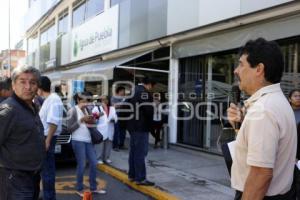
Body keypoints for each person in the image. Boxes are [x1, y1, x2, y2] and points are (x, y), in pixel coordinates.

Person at [227, 38, 297, 199]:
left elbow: (261, 174)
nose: (236, 71)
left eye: (241, 64)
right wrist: (242, 123)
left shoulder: (263, 110)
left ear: (259, 69)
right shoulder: (277, 101)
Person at [0, 66, 46, 199]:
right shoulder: (8, 110)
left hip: (32, 177)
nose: (28, 87)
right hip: (14, 180)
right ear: (13, 85)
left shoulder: (31, 106)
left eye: (33, 82)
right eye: (22, 81)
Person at [67, 92, 106, 197]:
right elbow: (69, 129)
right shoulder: (72, 110)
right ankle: (79, 188)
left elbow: (91, 124)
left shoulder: (87, 109)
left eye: (87, 100)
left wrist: (94, 118)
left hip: (88, 140)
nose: (86, 103)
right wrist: (81, 120)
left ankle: (93, 187)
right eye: (84, 101)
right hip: (77, 140)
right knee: (82, 164)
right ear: (78, 100)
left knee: (94, 163)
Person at [127, 76, 156, 186]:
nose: (151, 89)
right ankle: (140, 178)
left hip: (132, 126)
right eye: (152, 86)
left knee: (133, 151)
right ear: (148, 84)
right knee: (140, 152)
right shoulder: (144, 93)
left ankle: (132, 175)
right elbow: (148, 111)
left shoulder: (133, 91)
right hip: (141, 126)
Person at [38, 76, 64, 200]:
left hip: (47, 137)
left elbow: (53, 122)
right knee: (46, 170)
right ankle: (48, 196)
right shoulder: (49, 99)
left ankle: (49, 197)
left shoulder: (53, 99)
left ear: (40, 88)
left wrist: (47, 141)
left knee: (47, 171)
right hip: (45, 137)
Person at [93, 95, 118, 164]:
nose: (104, 101)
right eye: (102, 100)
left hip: (110, 128)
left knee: (108, 144)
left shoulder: (112, 108)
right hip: (101, 129)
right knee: (100, 145)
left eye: (106, 99)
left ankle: (106, 158)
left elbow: (116, 118)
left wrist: (114, 120)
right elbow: (93, 118)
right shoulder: (97, 108)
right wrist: (99, 114)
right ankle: (99, 158)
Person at [289, 89, 300, 199]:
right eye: (295, 96)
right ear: (289, 99)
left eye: (299, 96)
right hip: (289, 150)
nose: (298, 98)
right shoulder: (286, 112)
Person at [111, 86, 127, 150]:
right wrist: (122, 103)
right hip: (117, 115)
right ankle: (115, 146)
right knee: (116, 130)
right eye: (123, 91)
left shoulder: (124, 98)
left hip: (124, 115)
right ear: (119, 91)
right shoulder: (114, 97)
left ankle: (121, 144)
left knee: (123, 130)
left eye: (124, 91)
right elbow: (113, 106)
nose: (123, 92)